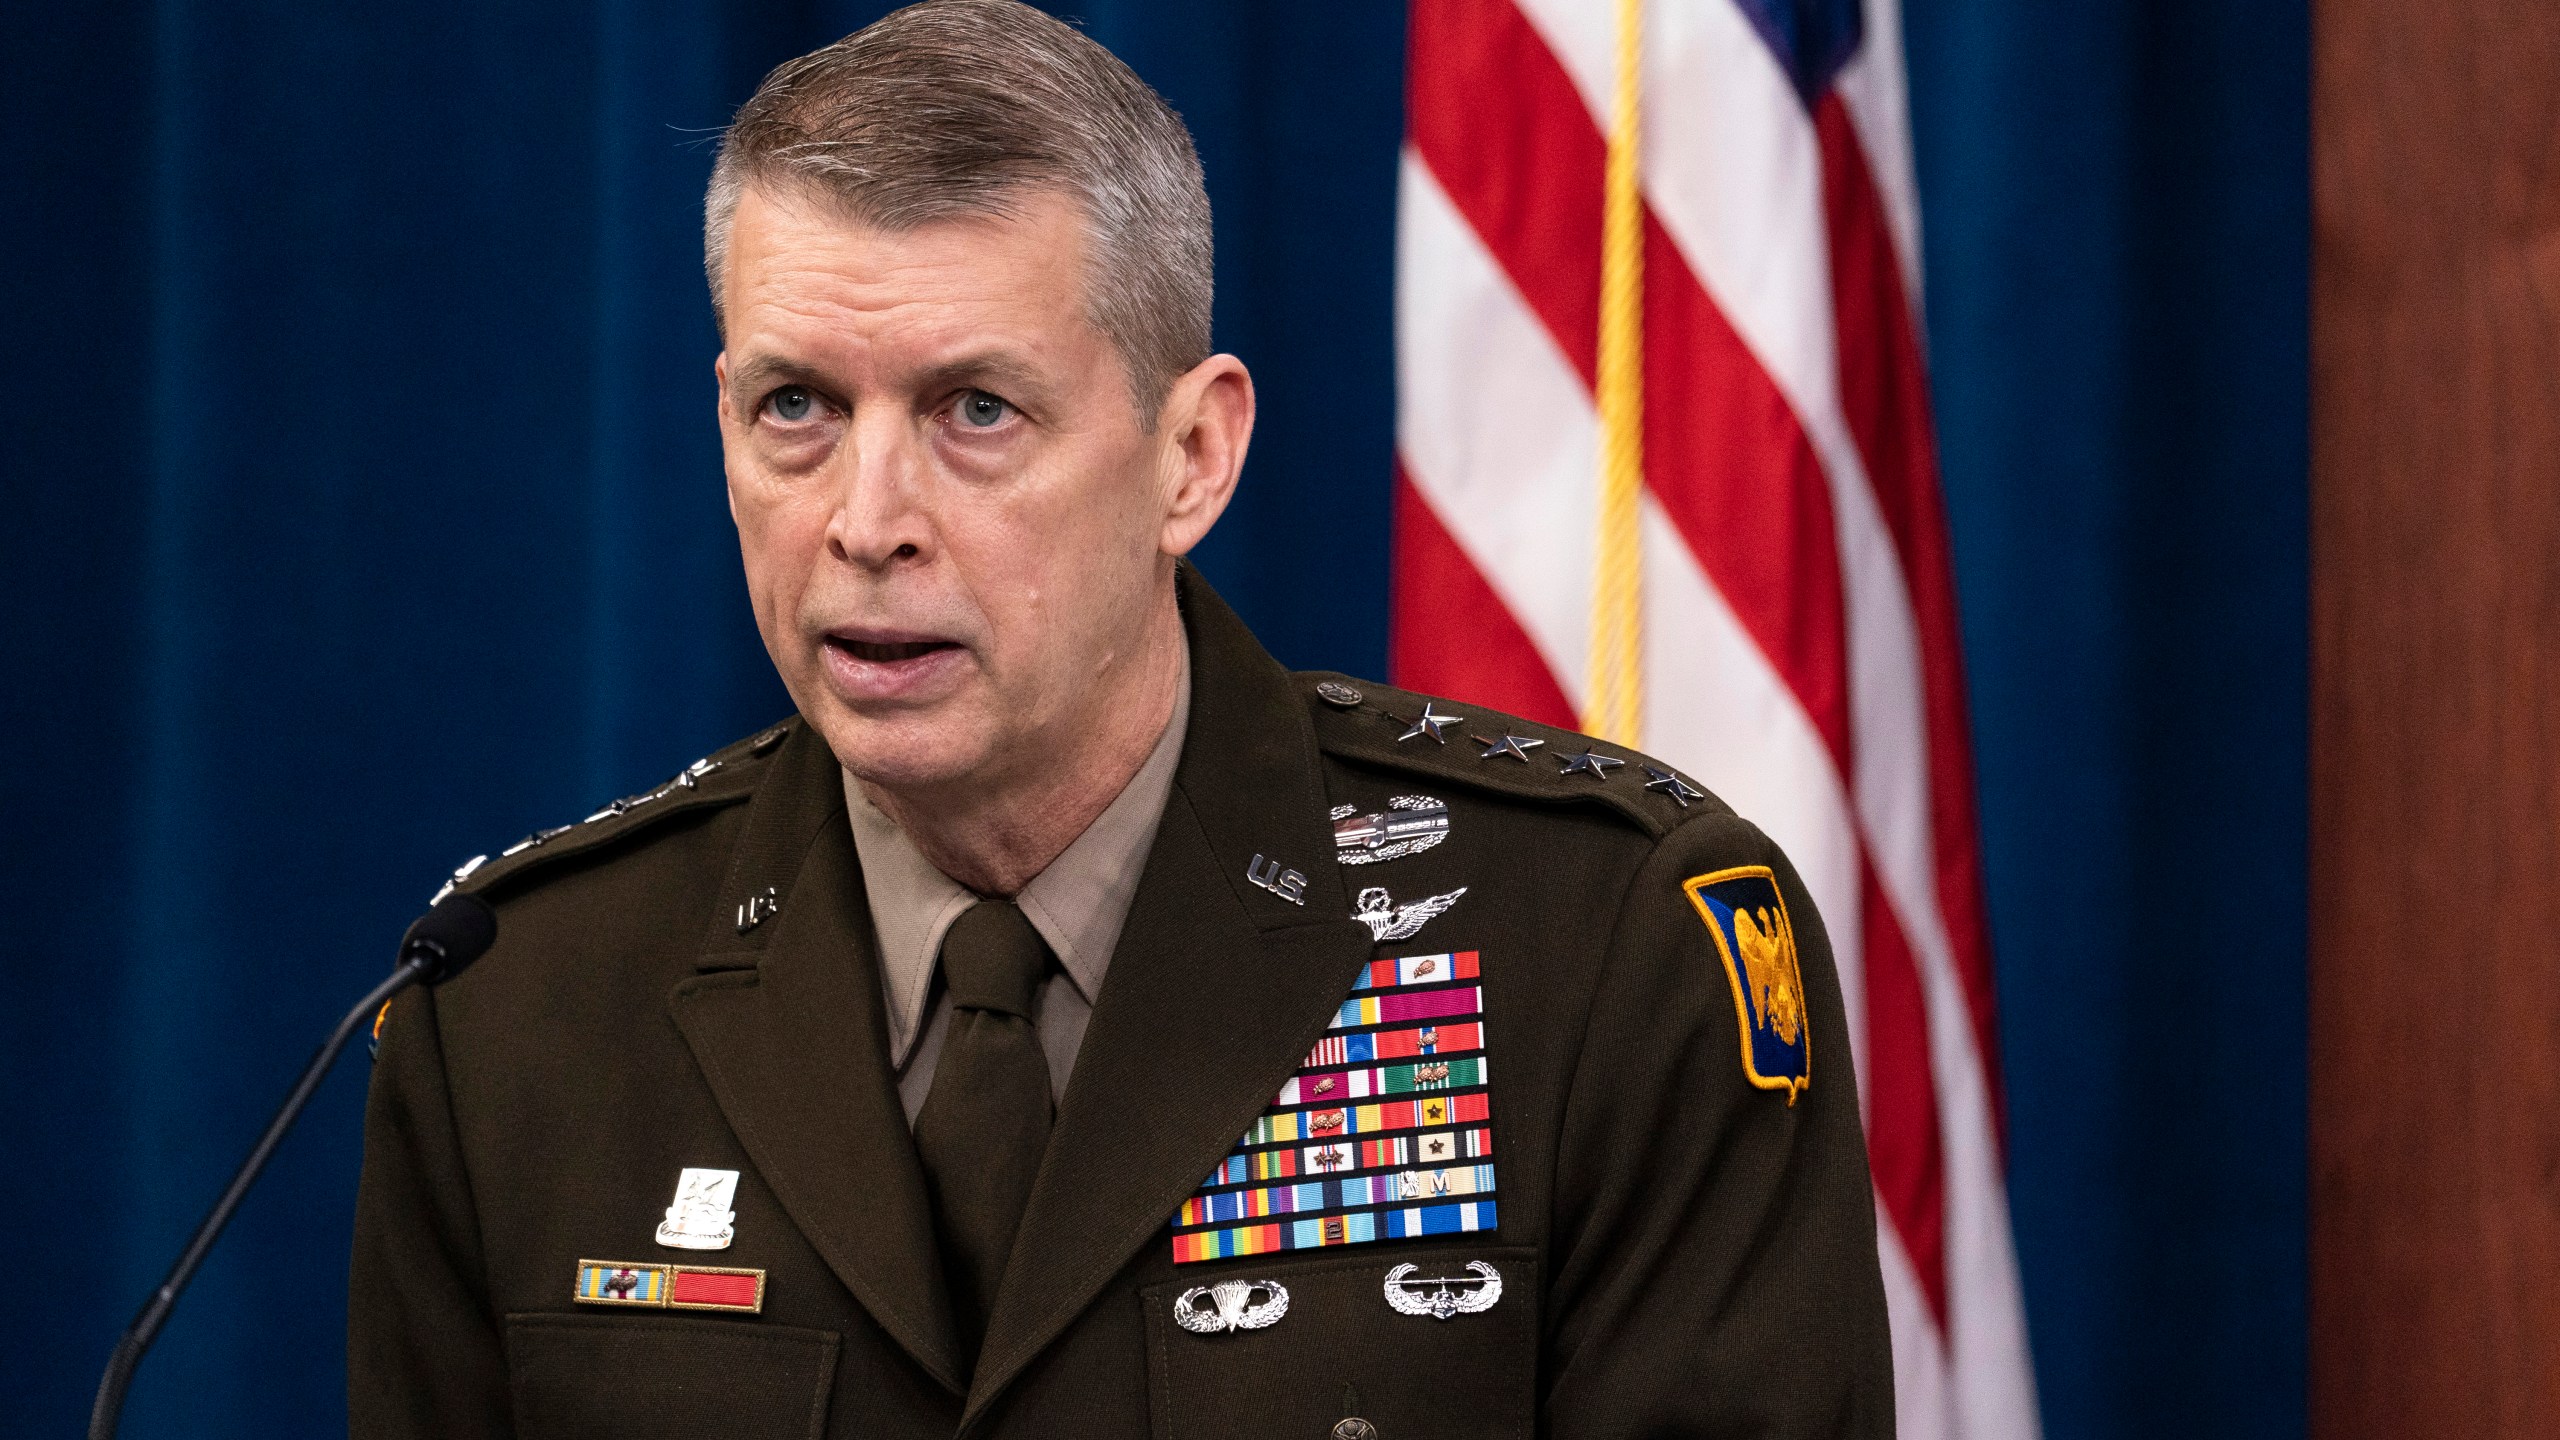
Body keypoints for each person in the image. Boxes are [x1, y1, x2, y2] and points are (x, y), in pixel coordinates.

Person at [348, 3, 1894, 1436]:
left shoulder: (1611, 953)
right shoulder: (515, 1010)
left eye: (976, 412)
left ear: (1192, 459)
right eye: (797, 407)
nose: (864, 520)